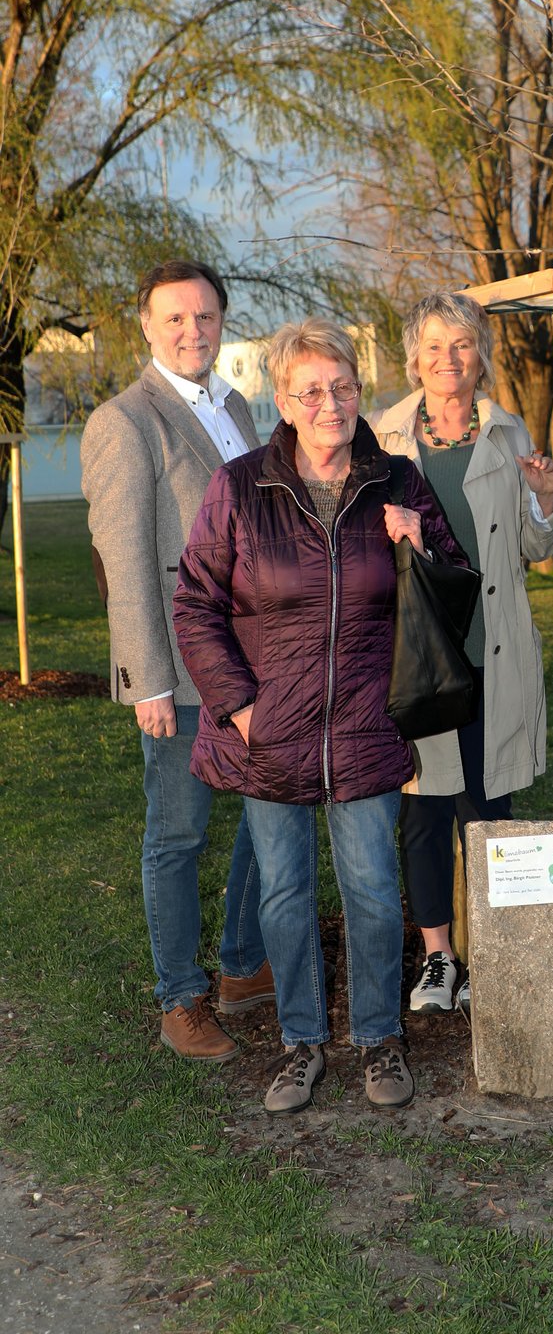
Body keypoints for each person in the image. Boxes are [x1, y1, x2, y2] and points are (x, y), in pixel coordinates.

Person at [173, 318, 463, 1115]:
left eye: (342, 387)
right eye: (311, 390)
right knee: (283, 895)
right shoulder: (238, 487)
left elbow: (456, 592)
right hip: (269, 732)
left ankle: (376, 1038)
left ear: (359, 392)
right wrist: (239, 708)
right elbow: (195, 606)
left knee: (372, 890)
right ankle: (301, 1043)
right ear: (283, 399)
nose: (329, 403)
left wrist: (420, 550)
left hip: (368, 727)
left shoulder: (399, 481)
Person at [80, 259, 272, 1062]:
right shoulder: (125, 421)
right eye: (175, 319)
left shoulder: (237, 406)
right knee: (179, 835)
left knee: (273, 815)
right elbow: (123, 559)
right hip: (183, 668)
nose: (193, 332)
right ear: (147, 328)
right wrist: (146, 679)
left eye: (205, 317)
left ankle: (239, 965)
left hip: (261, 662)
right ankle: (180, 996)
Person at [371, 290, 553, 1017]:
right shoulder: (382, 442)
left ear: (480, 354)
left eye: (463, 345)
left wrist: (543, 499)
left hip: (492, 652)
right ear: (413, 357)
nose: (448, 360)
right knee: (422, 811)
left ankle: (492, 953)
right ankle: (438, 960)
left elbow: (535, 550)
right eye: (434, 347)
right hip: (417, 654)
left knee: (490, 807)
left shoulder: (509, 438)